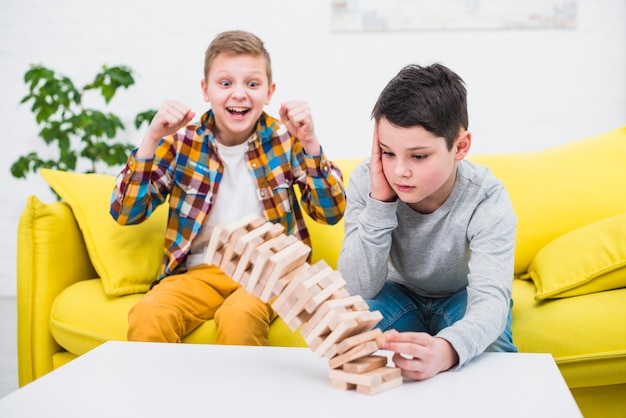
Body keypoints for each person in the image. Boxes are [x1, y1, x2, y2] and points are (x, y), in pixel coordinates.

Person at [110, 30, 346, 346]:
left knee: (240, 316)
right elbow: (125, 213)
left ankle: (238, 397)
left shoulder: (285, 140)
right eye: (225, 83)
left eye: (252, 83)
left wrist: (310, 142)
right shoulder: (181, 143)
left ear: (269, 91)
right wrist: (151, 139)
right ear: (205, 90)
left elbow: (330, 212)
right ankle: (160, 395)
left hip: (268, 276)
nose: (239, 94)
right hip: (199, 275)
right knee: (149, 314)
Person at [337, 63, 517, 381]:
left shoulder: (487, 197)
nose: (399, 171)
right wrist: (380, 202)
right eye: (387, 152)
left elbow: (490, 299)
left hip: (460, 296)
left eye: (418, 156)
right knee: (350, 338)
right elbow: (359, 287)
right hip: (397, 294)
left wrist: (447, 349)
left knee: (493, 344)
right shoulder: (369, 179)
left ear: (459, 146)